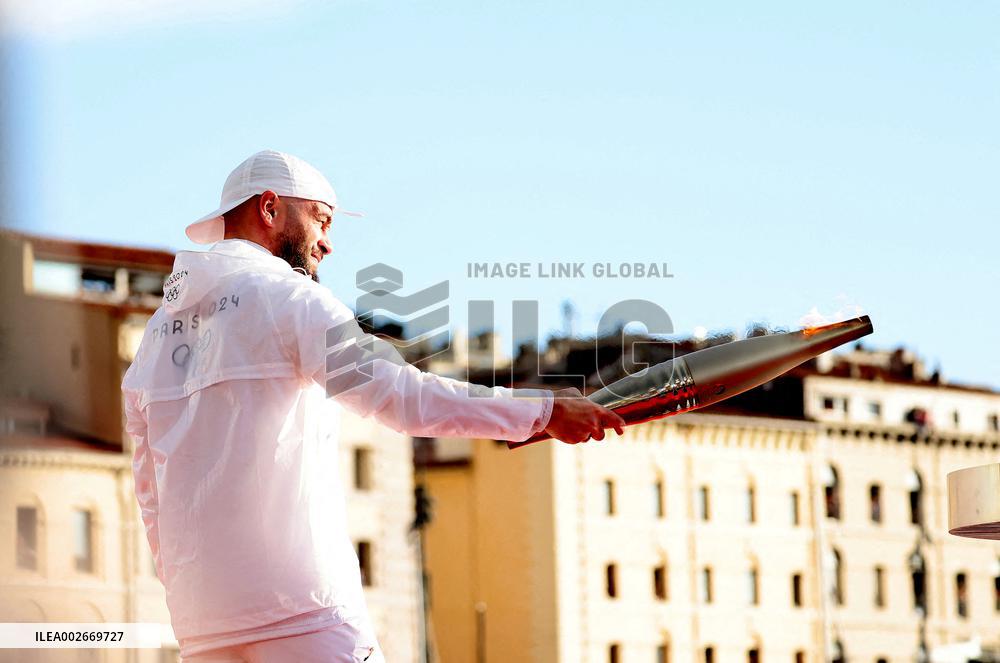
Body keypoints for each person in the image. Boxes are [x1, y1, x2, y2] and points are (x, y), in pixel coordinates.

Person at [121, 149, 624, 662]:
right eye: (320, 219)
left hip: (204, 623)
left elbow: (149, 489)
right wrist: (542, 412)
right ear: (269, 208)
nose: (328, 242)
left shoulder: (155, 338)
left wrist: (185, 589)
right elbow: (401, 395)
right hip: (303, 608)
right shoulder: (289, 298)